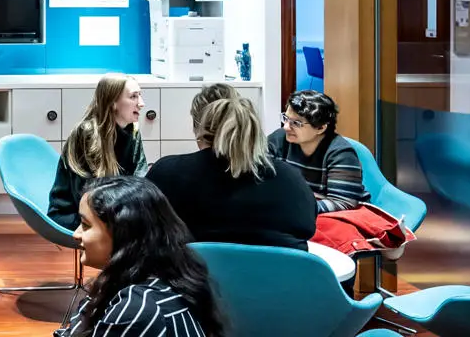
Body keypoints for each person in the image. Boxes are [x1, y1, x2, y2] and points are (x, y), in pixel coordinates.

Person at [57, 176, 225, 337]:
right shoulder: (163, 280)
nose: (76, 234)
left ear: (124, 234)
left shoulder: (136, 308)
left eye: (86, 225)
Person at [147, 91, 317, 250]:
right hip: (281, 278)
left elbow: (143, 227)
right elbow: (307, 228)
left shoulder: (166, 172)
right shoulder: (291, 178)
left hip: (192, 277)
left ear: (199, 131)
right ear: (255, 131)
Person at [49, 74, 148, 229]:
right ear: (113, 102)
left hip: (114, 209)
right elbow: (84, 197)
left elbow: (140, 179)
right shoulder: (86, 134)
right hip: (74, 213)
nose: (141, 104)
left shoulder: (133, 131)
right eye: (133, 97)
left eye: (140, 95)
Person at [267, 90, 371, 213]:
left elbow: (343, 202)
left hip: (334, 213)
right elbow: (258, 175)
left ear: (321, 128)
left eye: (296, 123)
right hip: (296, 208)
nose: (286, 127)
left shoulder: (341, 153)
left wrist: (295, 209)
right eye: (286, 118)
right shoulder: (279, 139)